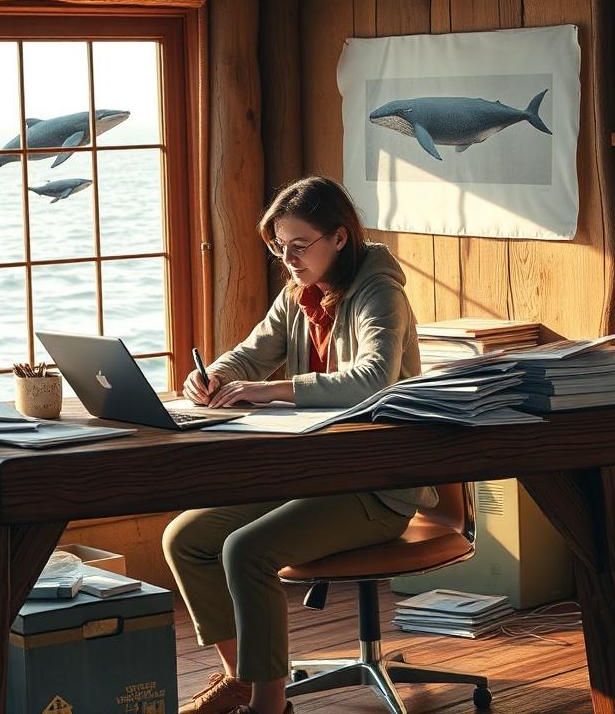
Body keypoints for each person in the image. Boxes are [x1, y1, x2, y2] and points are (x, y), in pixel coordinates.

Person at [162, 176, 438, 714]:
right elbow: (249, 355)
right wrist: (213, 377)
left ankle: (271, 705)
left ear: (339, 238)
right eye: (277, 247)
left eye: (297, 245)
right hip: (311, 476)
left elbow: (373, 379)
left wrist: (269, 389)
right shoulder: (299, 294)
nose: (286, 259)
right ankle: (241, 678)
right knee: (186, 537)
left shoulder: (381, 292)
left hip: (377, 486)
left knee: (246, 550)